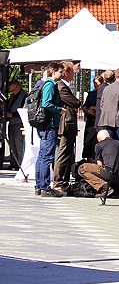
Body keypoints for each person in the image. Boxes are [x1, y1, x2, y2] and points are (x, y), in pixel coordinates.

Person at [35, 62, 65, 197]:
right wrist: (59, 109)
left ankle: (40, 185)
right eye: (60, 72)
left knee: (42, 155)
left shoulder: (45, 84)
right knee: (46, 156)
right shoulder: (50, 85)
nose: (61, 74)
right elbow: (46, 103)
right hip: (49, 124)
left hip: (45, 124)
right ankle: (44, 187)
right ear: (53, 72)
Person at [52, 62, 81, 192]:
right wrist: (76, 103)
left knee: (68, 152)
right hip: (66, 123)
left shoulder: (64, 86)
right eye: (72, 73)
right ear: (66, 73)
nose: (73, 75)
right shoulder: (61, 86)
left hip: (69, 123)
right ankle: (58, 181)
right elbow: (74, 102)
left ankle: (63, 180)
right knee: (63, 152)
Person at [78, 129, 119, 197]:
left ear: (99, 139)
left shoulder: (99, 145)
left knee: (83, 168)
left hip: (110, 173)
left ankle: (104, 187)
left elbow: (99, 165)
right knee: (115, 187)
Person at [97, 69, 119, 145]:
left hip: (107, 120)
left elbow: (101, 104)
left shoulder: (106, 88)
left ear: (115, 76)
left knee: (109, 144)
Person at [5, 80, 27, 171]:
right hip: (12, 123)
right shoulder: (13, 96)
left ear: (18, 87)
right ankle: (13, 163)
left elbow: (24, 111)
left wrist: (12, 115)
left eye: (14, 90)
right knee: (12, 144)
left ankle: (20, 164)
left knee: (19, 144)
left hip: (19, 123)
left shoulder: (25, 96)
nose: (12, 92)